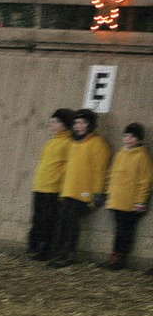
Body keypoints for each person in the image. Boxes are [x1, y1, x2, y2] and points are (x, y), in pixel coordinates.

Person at [48, 108, 111, 268]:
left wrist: (98, 192)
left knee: (71, 225)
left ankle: (67, 254)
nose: (78, 126)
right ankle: (58, 253)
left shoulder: (98, 144)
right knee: (63, 223)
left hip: (82, 192)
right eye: (76, 122)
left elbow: (100, 170)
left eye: (83, 122)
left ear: (90, 125)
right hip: (68, 190)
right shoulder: (72, 143)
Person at [102, 123, 153, 270]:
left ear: (139, 140)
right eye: (126, 136)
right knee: (119, 229)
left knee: (125, 231)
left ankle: (120, 256)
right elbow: (112, 175)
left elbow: (146, 181)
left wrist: (141, 201)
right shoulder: (120, 154)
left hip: (130, 203)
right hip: (117, 200)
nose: (128, 139)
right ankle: (115, 254)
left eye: (132, 137)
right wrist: (108, 193)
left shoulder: (142, 157)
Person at [27, 108, 74, 261]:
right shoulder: (51, 142)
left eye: (56, 122)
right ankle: (35, 245)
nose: (53, 124)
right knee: (38, 218)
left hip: (53, 188)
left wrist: (61, 188)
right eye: (52, 121)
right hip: (40, 186)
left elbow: (67, 168)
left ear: (65, 124)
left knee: (48, 220)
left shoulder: (68, 143)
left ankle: (46, 248)